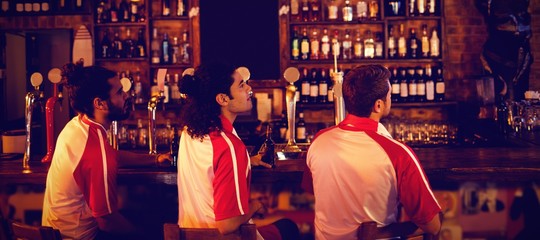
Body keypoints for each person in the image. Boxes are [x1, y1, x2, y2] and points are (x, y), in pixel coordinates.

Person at [302, 65, 442, 239]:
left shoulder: (318, 141)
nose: (391, 98)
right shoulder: (398, 153)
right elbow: (433, 225)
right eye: (389, 95)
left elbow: (311, 189)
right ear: (378, 105)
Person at [42, 60, 170, 240]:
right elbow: (107, 221)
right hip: (81, 237)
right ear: (99, 103)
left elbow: (112, 155)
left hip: (57, 232)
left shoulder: (77, 125)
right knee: (153, 225)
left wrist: (154, 159)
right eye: (119, 92)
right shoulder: (94, 148)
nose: (126, 95)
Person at [176, 63, 299, 240]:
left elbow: (210, 164)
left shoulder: (190, 132)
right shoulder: (230, 147)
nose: (249, 88)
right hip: (226, 237)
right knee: (288, 227)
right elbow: (227, 224)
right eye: (241, 85)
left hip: (191, 234)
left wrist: (248, 160)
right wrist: (256, 205)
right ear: (223, 99)